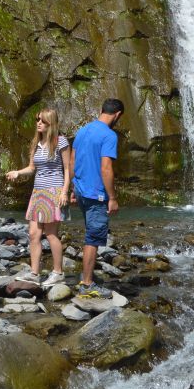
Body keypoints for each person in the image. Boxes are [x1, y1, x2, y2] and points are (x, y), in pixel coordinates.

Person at [6, 108, 71, 286]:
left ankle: (58, 272)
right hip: (38, 192)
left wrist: (65, 192)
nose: (38, 123)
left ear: (51, 123)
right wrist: (18, 173)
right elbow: (32, 168)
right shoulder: (36, 142)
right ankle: (34, 273)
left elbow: (67, 169)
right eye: (37, 120)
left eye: (42, 120)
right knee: (34, 234)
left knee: (51, 234)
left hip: (54, 191)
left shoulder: (60, 141)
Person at [71, 98, 123, 299]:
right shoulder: (109, 135)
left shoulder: (83, 130)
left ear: (101, 110)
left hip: (82, 190)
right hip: (97, 194)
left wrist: (74, 189)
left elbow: (73, 161)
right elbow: (106, 167)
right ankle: (87, 284)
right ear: (117, 115)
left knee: (90, 233)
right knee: (93, 238)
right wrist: (112, 197)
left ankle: (87, 277)